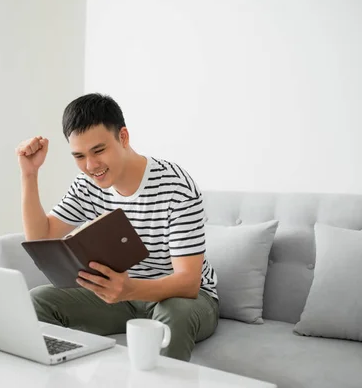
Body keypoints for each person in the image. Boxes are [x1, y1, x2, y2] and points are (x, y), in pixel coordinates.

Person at [15, 93, 219, 361]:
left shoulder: (176, 187)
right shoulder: (87, 185)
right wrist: (29, 173)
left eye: (99, 150)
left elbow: (188, 282)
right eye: (79, 156)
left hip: (184, 299)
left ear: (123, 137)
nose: (91, 166)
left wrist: (129, 288)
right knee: (37, 299)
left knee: (172, 315)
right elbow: (40, 239)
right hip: (121, 296)